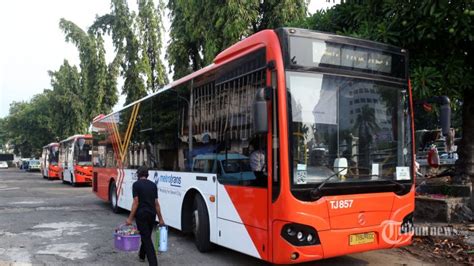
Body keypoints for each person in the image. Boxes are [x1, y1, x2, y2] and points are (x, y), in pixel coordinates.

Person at [126, 166, 164, 266]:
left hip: (141, 215)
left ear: (138, 174)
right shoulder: (153, 185)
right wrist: (160, 219)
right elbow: (156, 203)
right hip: (152, 215)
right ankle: (142, 255)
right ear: (147, 174)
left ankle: (153, 263)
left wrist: (130, 218)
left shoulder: (136, 185)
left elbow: (136, 202)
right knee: (146, 235)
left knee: (146, 238)